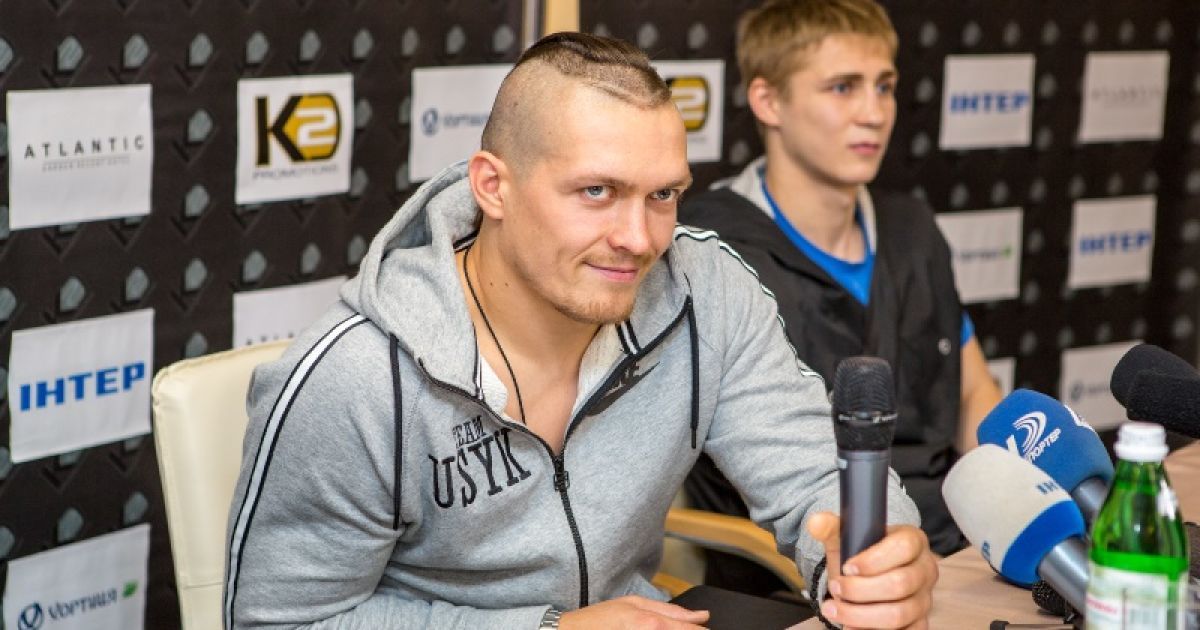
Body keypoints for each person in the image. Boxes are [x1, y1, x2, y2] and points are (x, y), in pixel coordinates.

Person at [223, 32, 937, 629]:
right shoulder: (355, 374)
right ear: (493, 186)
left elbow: (815, 472)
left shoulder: (707, 290)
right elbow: (279, 623)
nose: (639, 238)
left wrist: (874, 558)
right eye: (597, 192)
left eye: (663, 194)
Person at [679, 0, 1002, 598]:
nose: (874, 113)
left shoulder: (912, 230)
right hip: (798, 573)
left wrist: (1010, 508)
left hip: (952, 550)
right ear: (768, 101)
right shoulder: (708, 249)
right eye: (842, 88)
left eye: (885, 87)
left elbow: (973, 395)